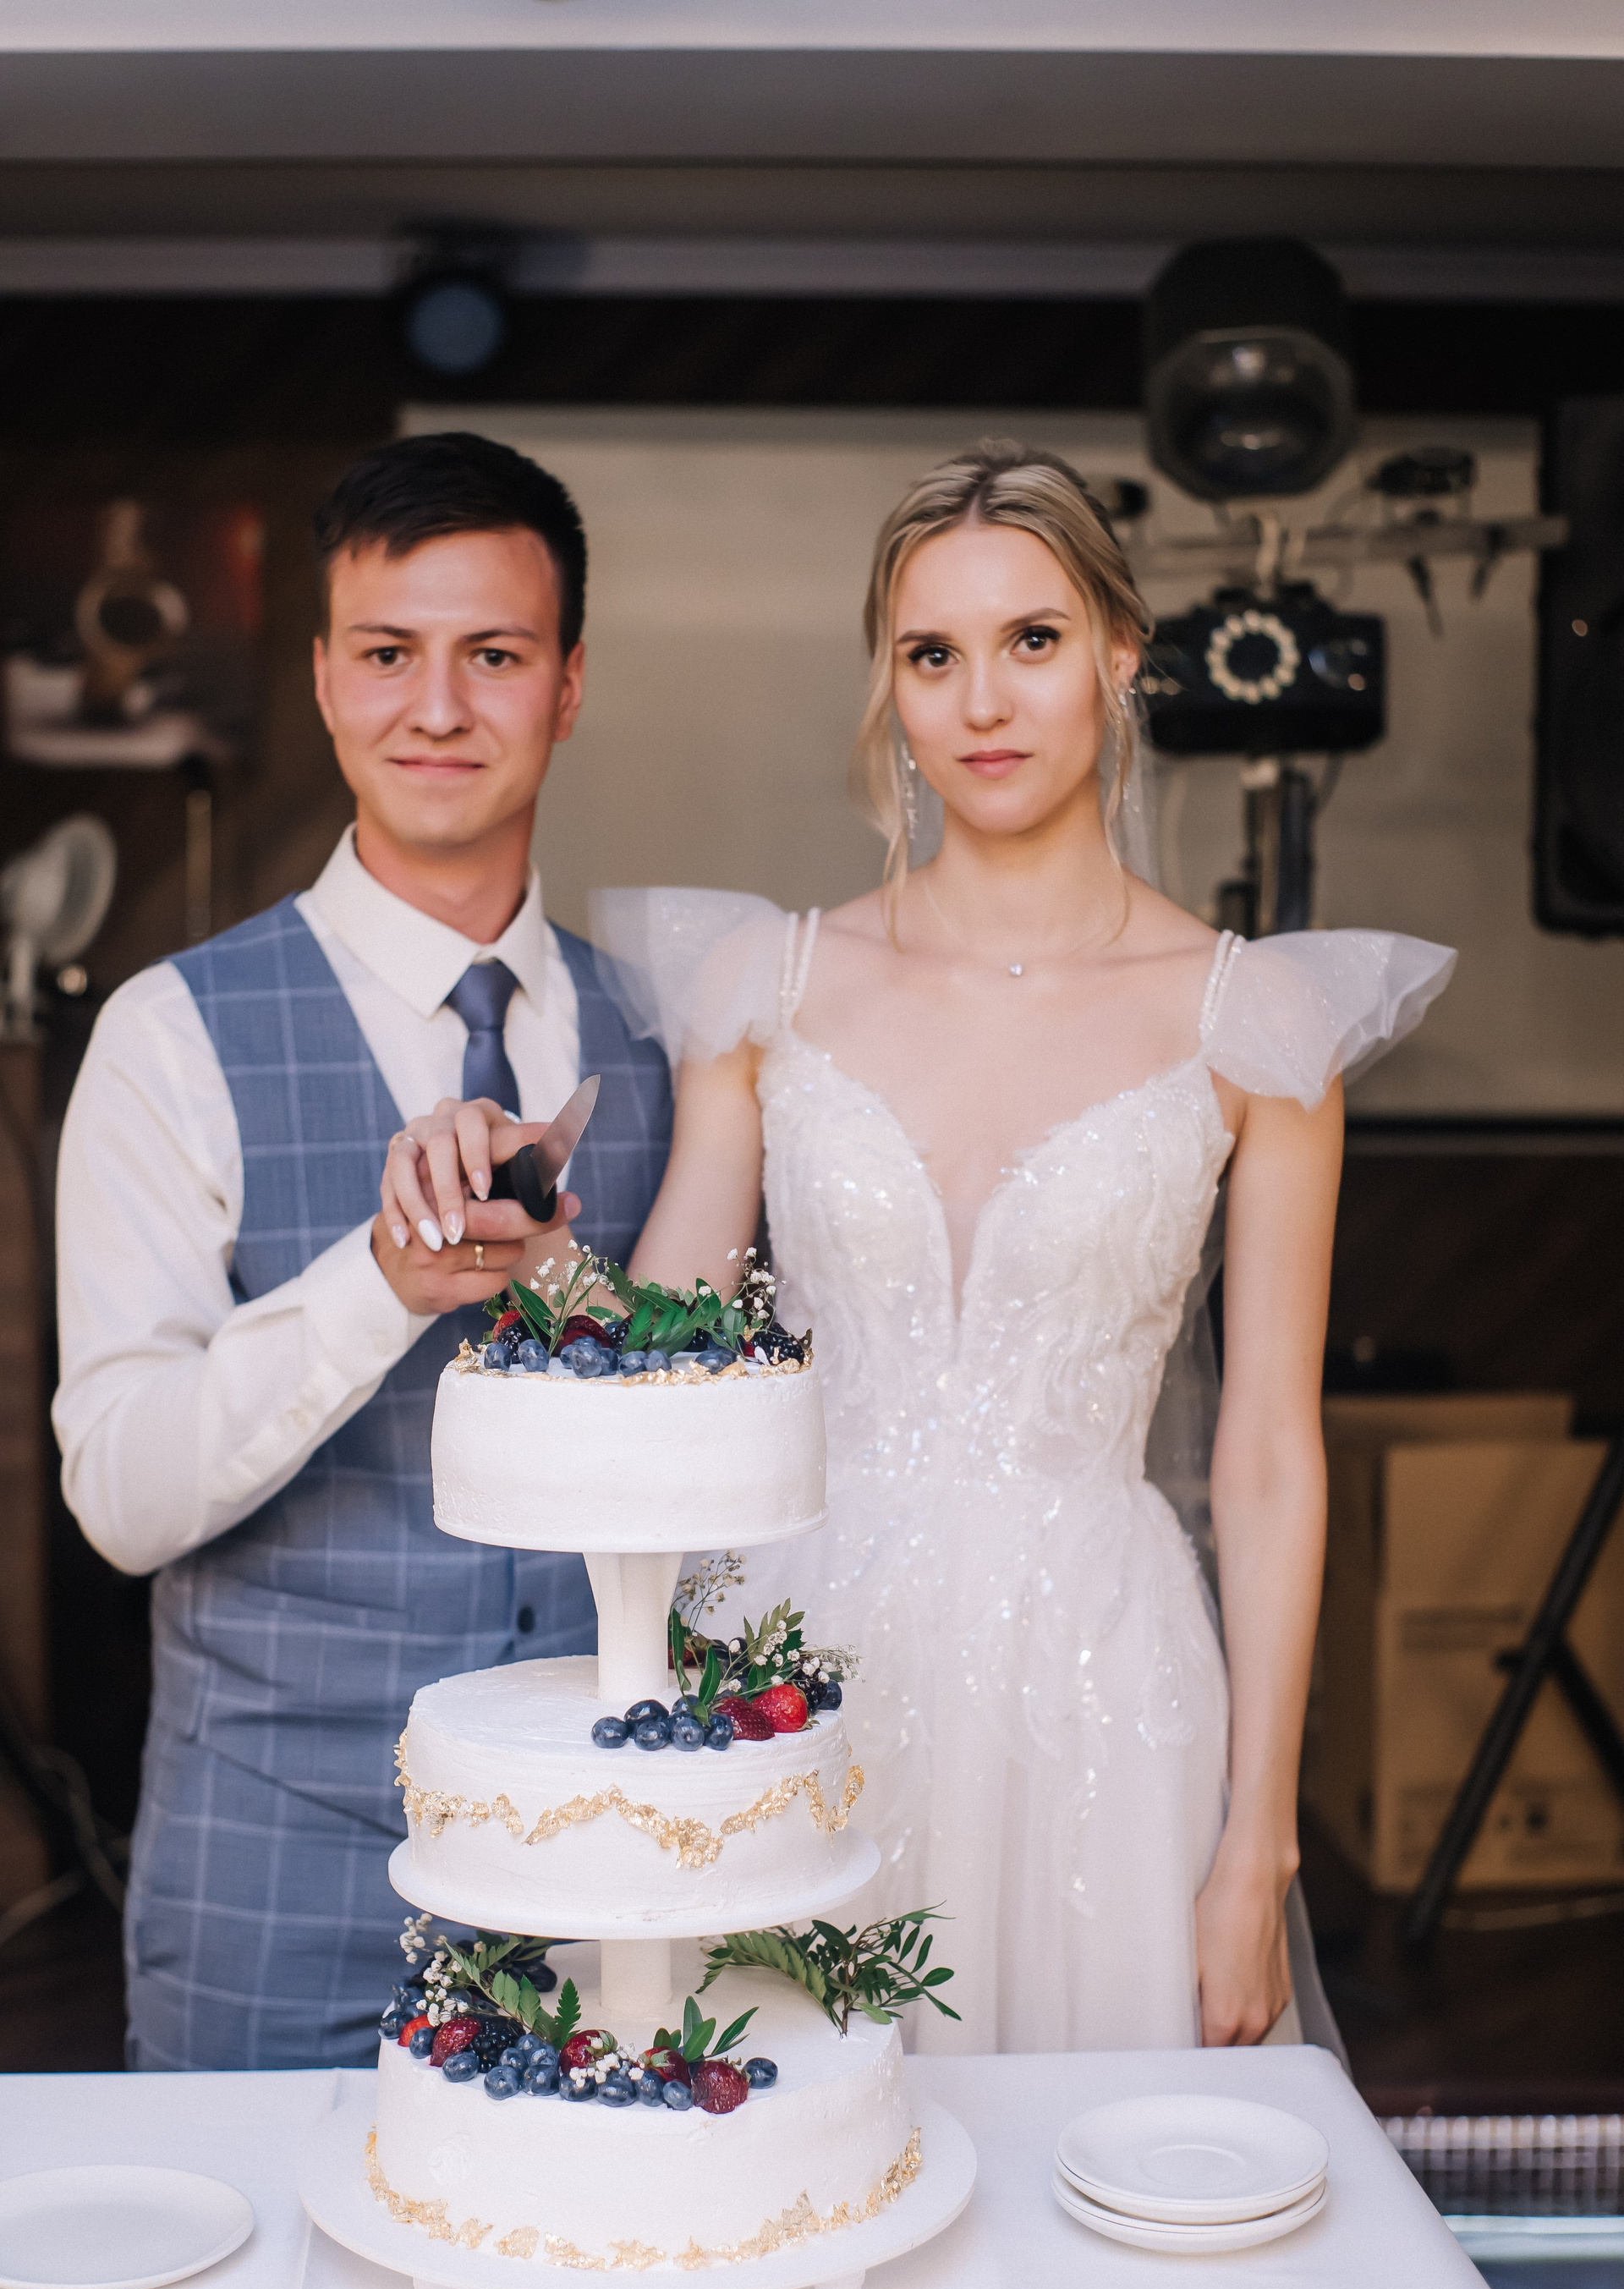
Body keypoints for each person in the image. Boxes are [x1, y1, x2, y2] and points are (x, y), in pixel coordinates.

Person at [588, 439, 1454, 2052]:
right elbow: (656, 1374)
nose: (982, 702)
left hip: (1101, 1692)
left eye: (1032, 641)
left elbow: (1270, 1455)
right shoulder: (764, 987)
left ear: (1122, 654)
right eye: (934, 655)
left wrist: (1258, 1845)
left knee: (1097, 2156)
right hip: (799, 1663)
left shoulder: (1255, 1021)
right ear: (890, 686)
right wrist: (518, 1257)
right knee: (783, 2134)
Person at [54, 431, 672, 2069]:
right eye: (390, 654)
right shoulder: (168, 1037)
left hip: (609, 1860)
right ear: (326, 680)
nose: (439, 707)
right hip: (281, 1865)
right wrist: (378, 1284)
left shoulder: (667, 1035)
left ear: (569, 685)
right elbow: (118, 1497)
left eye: (496, 656)